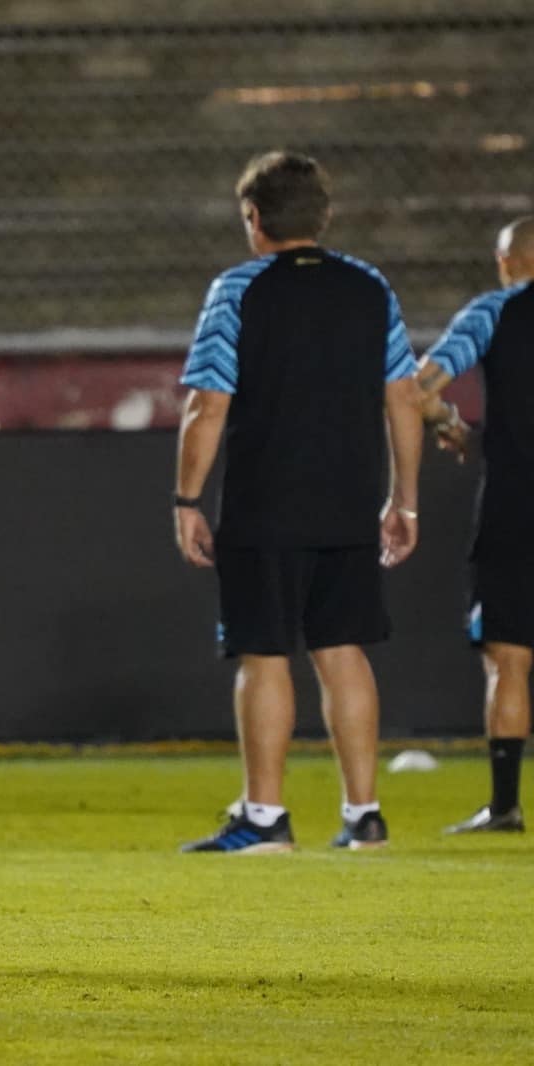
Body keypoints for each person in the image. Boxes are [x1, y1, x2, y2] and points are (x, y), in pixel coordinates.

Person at [172, 150, 423, 854]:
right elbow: (402, 397)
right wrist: (404, 500)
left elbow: (206, 405)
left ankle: (263, 819)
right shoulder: (370, 287)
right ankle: (363, 815)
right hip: (350, 503)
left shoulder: (238, 290)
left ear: (254, 219)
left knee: (264, 655)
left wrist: (187, 498)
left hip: (265, 503)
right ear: (324, 217)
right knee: (343, 651)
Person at [414, 217, 534, 834]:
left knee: (508, 659)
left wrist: (446, 423)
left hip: (516, 505)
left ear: (504, 259)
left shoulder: (493, 313)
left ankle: (507, 806)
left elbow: (418, 387)